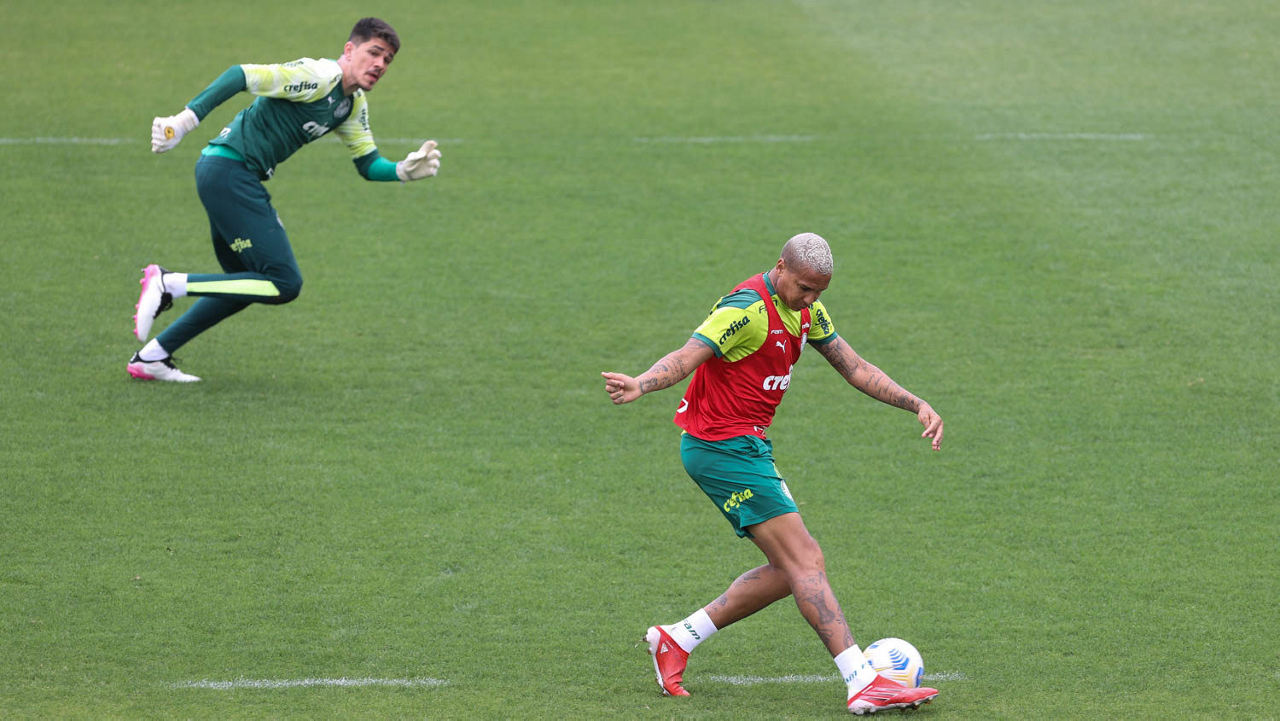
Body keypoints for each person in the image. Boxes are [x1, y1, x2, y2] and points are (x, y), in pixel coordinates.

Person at [601, 233, 943, 715]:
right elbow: (688, 354)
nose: (811, 299)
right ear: (781, 267)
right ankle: (862, 681)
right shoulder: (745, 310)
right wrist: (642, 382)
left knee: (789, 572)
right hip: (721, 448)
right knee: (807, 560)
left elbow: (855, 367)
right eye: (804, 288)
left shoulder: (807, 311)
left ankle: (677, 638)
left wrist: (916, 403)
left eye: (819, 292)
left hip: (747, 446)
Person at [128, 17, 442, 382]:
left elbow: (368, 163)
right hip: (230, 174)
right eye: (374, 53)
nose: (380, 64)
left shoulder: (352, 105)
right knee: (283, 283)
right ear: (349, 49)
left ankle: (152, 357)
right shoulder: (317, 76)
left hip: (229, 175)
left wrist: (402, 171)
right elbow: (241, 75)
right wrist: (184, 122)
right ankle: (167, 283)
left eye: (387, 59)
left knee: (244, 284)